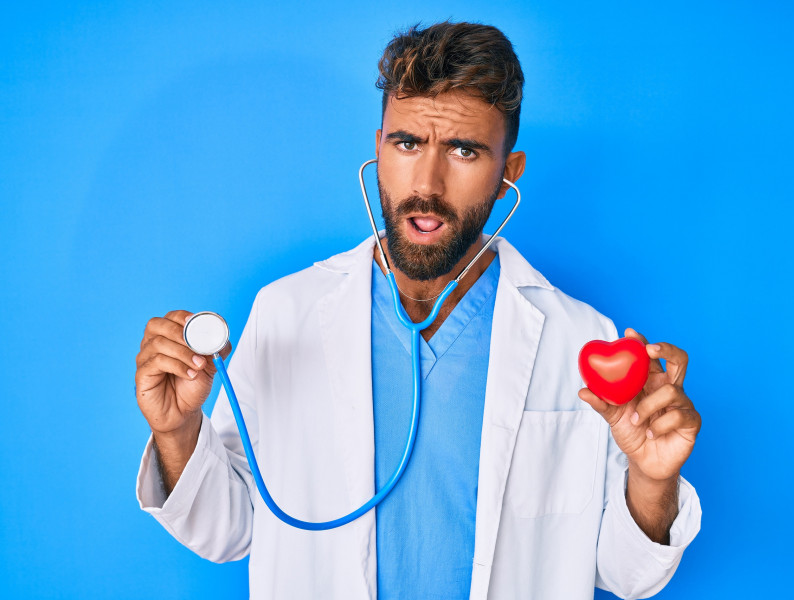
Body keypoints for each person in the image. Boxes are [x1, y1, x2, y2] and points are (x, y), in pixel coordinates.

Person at [134, 21, 702, 599]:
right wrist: (177, 432)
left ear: (510, 170)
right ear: (379, 147)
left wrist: (655, 480)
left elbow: (627, 575)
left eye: (463, 150)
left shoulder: (577, 336)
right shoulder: (287, 312)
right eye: (408, 144)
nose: (426, 184)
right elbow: (224, 531)